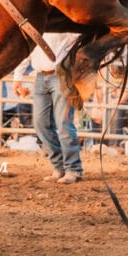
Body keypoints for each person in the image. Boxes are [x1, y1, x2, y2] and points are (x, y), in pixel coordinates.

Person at [29, 32, 82, 184]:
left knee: (64, 124)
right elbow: (27, 52)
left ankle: (73, 169)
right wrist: (18, 77)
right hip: (40, 76)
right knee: (41, 124)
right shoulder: (36, 24)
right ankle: (59, 166)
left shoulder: (63, 24)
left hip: (61, 75)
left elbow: (77, 37)